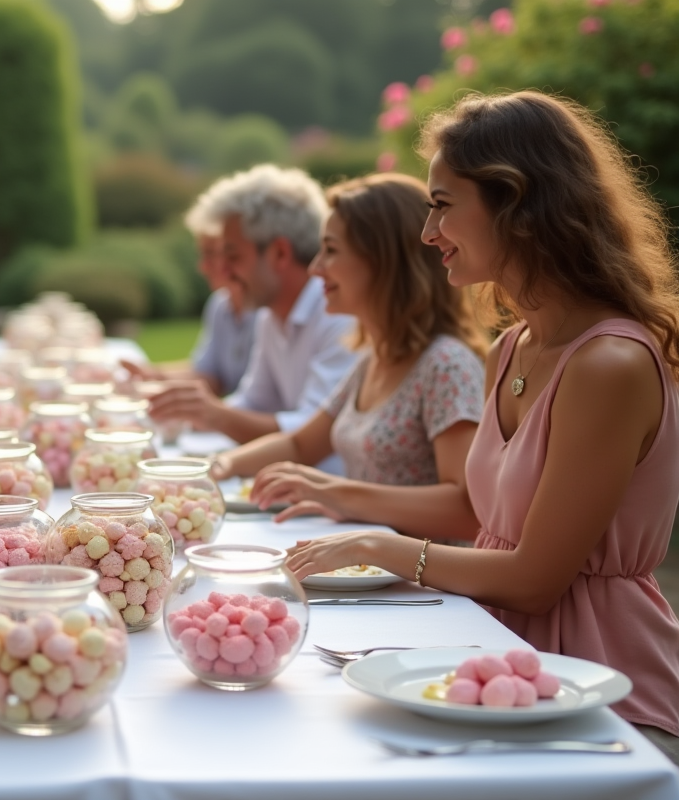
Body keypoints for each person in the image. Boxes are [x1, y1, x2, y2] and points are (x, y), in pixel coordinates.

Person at [286, 92, 679, 759]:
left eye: (442, 204)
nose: (426, 231)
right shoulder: (511, 348)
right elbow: (490, 527)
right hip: (497, 669)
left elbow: (534, 578)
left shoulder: (610, 364)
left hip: (605, 702)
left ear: (516, 203)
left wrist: (381, 548)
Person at [211, 173, 487, 542]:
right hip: (374, 573)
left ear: (383, 261)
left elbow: (467, 511)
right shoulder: (374, 360)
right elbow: (299, 444)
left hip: (429, 592)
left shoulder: (446, 366)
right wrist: (214, 469)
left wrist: (334, 493)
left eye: (331, 250)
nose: (315, 268)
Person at [147, 165, 358, 463]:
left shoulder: (338, 317)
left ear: (280, 253)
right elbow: (254, 403)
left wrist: (214, 415)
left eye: (233, 256)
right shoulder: (270, 316)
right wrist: (195, 412)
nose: (223, 271)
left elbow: (311, 433)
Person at [122, 182, 258, 396]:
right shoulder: (221, 305)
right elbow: (208, 374)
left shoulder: (268, 312)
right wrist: (150, 375)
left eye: (211, 254)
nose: (203, 266)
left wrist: (154, 379)